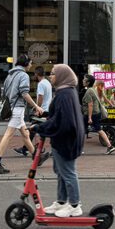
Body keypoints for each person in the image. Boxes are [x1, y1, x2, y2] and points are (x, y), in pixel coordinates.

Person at [31, 64, 87, 217]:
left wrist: (40, 128)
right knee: (62, 173)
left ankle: (75, 205)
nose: (51, 76)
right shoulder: (66, 92)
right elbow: (60, 116)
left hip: (66, 140)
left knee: (68, 173)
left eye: (54, 74)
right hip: (64, 139)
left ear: (62, 76)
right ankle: (61, 202)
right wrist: (46, 116)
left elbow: (62, 121)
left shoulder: (65, 94)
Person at [0, 54, 45, 174]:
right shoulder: (23, 75)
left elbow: (4, 91)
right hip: (17, 108)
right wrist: (36, 106)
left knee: (25, 134)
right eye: (30, 63)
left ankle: (37, 157)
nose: (31, 65)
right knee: (8, 134)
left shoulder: (10, 74)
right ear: (25, 63)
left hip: (12, 107)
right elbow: (24, 93)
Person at [82, 74, 115, 155]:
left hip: (91, 114)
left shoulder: (89, 91)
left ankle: (79, 149)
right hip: (96, 113)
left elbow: (90, 104)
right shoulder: (92, 89)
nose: (83, 80)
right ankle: (110, 146)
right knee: (99, 130)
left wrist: (90, 118)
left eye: (84, 79)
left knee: (81, 130)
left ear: (88, 82)